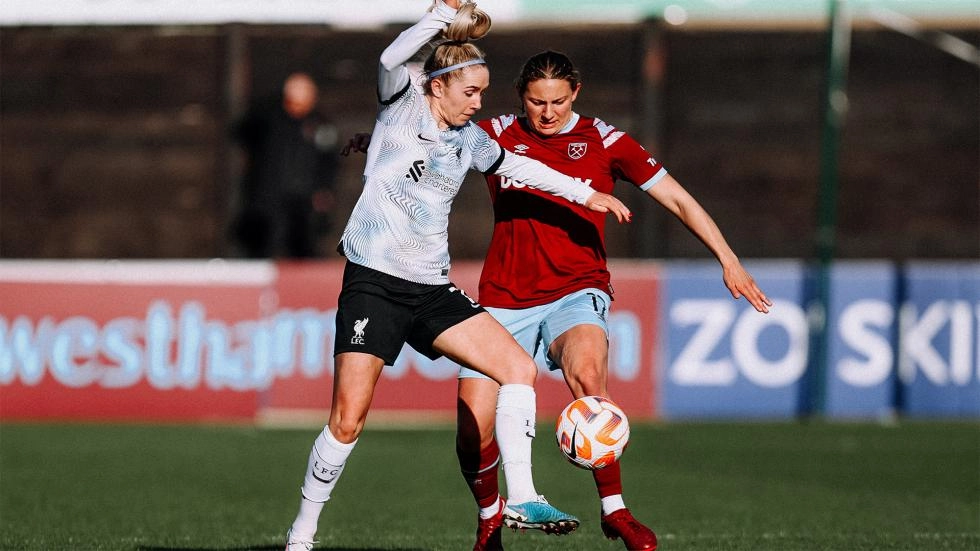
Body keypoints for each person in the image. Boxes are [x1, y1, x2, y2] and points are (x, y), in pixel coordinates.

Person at [344, 49, 773, 551]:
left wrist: (728, 258)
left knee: (589, 377)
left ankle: (615, 510)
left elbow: (677, 197)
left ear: (576, 93)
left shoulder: (606, 141)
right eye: (535, 101)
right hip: (502, 298)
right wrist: (375, 142)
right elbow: (433, 138)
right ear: (521, 97)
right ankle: (489, 521)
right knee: (471, 430)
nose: (546, 113)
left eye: (557, 102)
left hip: (576, 287)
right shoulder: (498, 131)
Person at [283, 3, 633, 551]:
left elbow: (524, 168)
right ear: (437, 86)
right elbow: (390, 55)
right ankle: (301, 535)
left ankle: (521, 497)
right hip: (374, 282)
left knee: (518, 368)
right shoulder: (401, 105)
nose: (479, 101)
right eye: (470, 91)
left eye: (483, 91)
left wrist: (586, 192)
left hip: (430, 288)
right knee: (348, 420)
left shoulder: (470, 140)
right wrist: (439, 18)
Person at [234, 72, 339, 258]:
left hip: (305, 200)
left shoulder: (320, 125)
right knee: (265, 246)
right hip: (271, 197)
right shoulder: (270, 120)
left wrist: (324, 189)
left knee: (305, 249)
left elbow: (329, 161)